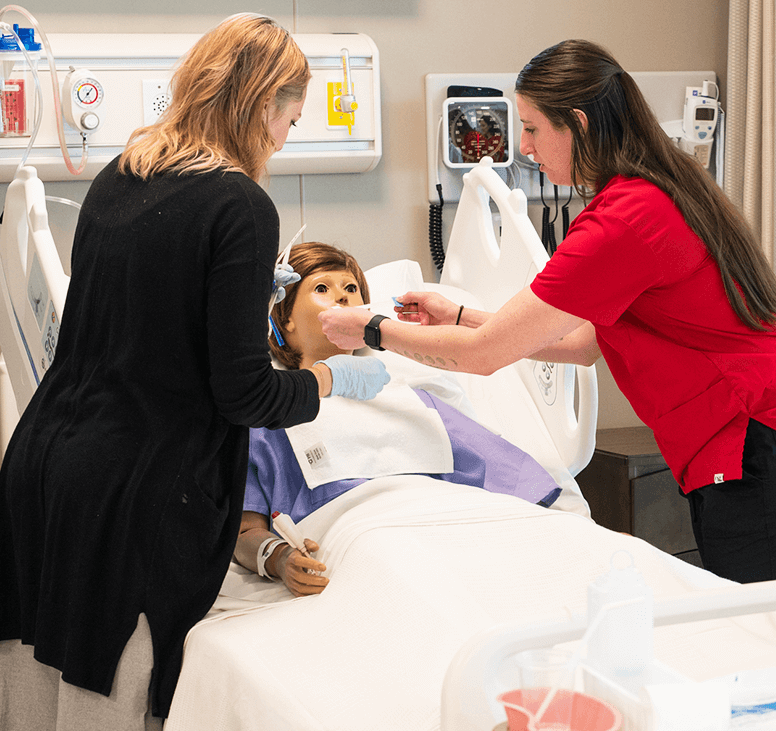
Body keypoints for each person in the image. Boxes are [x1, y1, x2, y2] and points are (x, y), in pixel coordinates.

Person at [0, 14, 388, 731]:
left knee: (35, 708)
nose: (285, 137)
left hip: (49, 465)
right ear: (262, 101)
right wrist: (325, 381)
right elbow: (241, 396)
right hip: (139, 490)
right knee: (107, 718)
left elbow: (145, 312)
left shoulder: (121, 173)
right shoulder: (240, 203)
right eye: (288, 118)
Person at [320, 39, 776, 634]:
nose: (522, 148)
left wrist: (370, 328)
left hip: (763, 440)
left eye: (531, 128)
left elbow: (487, 360)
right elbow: (586, 341)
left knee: (774, 646)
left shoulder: (625, 220)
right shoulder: (653, 190)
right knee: (761, 637)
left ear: (576, 124)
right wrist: (461, 316)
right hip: (770, 438)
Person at [234, 242, 563, 596]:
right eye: (321, 289)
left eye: (350, 289)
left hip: (457, 528)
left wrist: (569, 533)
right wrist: (279, 558)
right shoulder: (267, 417)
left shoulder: (415, 400)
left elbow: (512, 484)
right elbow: (243, 531)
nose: (343, 299)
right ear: (284, 318)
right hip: (367, 540)